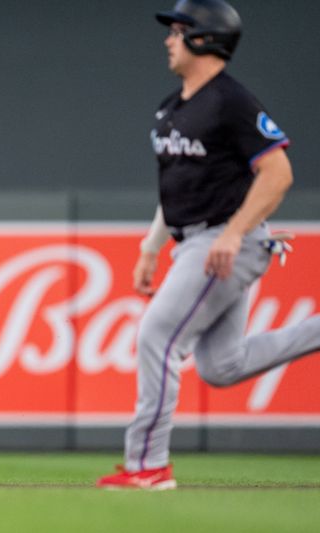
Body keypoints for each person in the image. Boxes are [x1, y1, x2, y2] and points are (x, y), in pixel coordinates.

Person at [97, 0, 320, 490]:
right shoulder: (172, 106)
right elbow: (175, 187)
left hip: (224, 239)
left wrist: (235, 233)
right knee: (223, 366)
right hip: (195, 238)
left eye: (178, 30)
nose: (168, 40)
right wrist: (151, 249)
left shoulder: (231, 100)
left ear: (204, 38)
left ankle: (149, 467)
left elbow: (278, 172)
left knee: (158, 334)